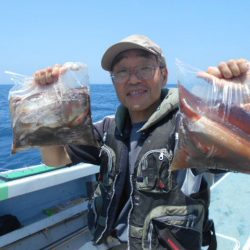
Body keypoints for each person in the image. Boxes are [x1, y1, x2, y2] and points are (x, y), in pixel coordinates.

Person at [34, 34, 248, 250]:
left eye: (144, 68)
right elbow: (56, 159)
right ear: (113, 81)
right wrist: (48, 106)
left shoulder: (191, 126)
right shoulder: (108, 129)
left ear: (163, 75)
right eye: (122, 71)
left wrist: (239, 102)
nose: (133, 79)